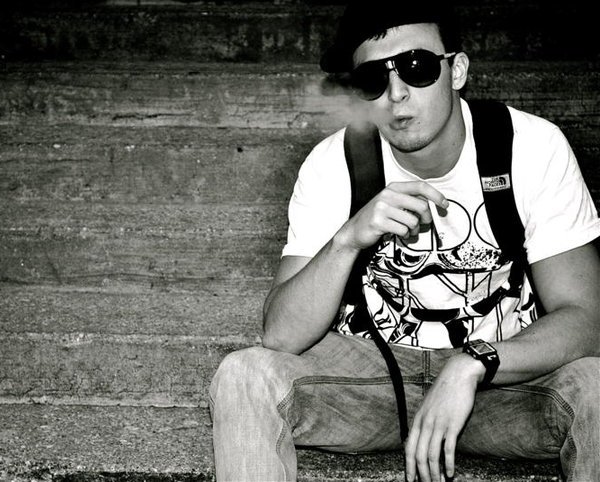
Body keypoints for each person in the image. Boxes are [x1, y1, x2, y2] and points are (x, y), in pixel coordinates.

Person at [209, 1, 600, 481]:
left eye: (417, 67)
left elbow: (586, 319)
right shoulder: (335, 164)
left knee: (596, 386)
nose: (396, 94)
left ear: (457, 70)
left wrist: (475, 361)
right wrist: (348, 239)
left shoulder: (530, 148)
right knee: (243, 374)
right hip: (370, 384)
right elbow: (281, 337)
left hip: (494, 390)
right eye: (373, 79)